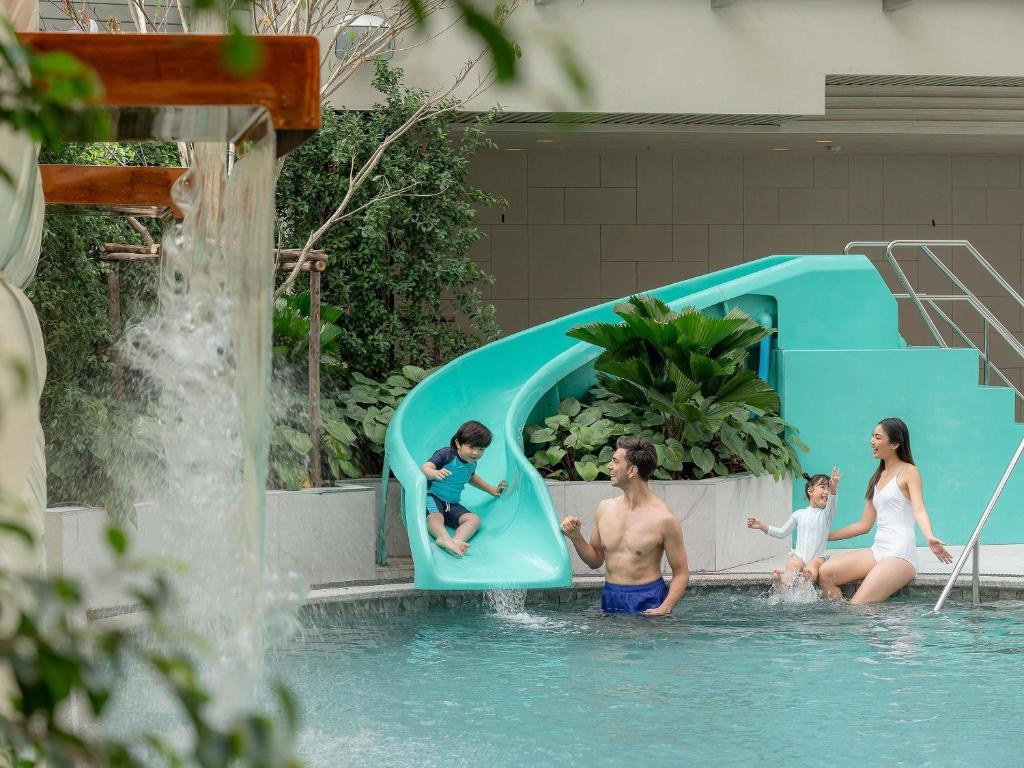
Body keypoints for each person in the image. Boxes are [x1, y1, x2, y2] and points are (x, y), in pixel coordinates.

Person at [818, 418, 953, 604]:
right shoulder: (876, 478)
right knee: (825, 573)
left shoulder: (909, 471)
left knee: (856, 606)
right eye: (872, 436)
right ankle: (840, 627)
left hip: (900, 554)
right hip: (878, 550)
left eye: (878, 437)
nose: (872, 441)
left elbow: (919, 509)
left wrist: (929, 536)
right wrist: (825, 535)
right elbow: (863, 525)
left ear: (895, 444)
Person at [560, 436, 688, 616]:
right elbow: (595, 561)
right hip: (610, 597)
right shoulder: (604, 508)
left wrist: (665, 607)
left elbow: (681, 572)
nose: (609, 466)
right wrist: (576, 537)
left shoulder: (664, 519)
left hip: (649, 599)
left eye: (615, 461)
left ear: (632, 470)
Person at [420, 420, 506, 557]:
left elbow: (471, 478)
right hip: (433, 496)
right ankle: (443, 537)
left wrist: (492, 490)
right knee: (435, 517)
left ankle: (456, 541)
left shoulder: (471, 464)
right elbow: (425, 468)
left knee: (474, 520)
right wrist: (435, 473)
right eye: (472, 447)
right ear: (458, 443)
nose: (476, 453)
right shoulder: (446, 454)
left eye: (481, 449)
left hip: (452, 503)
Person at [747, 467, 841, 589]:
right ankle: (781, 582)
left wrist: (833, 487)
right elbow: (782, 532)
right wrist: (762, 526)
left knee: (812, 569)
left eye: (828, 488)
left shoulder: (826, 514)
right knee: (791, 567)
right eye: (823, 487)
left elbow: (832, 500)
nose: (826, 491)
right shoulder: (798, 514)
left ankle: (806, 578)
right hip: (799, 555)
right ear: (810, 491)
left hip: (817, 557)